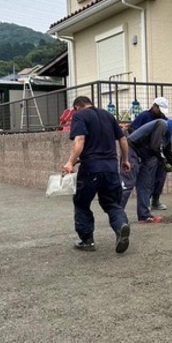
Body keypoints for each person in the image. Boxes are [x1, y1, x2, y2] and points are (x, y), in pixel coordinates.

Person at [62, 96, 131, 253]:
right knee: (112, 203)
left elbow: (80, 140)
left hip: (91, 168)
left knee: (81, 203)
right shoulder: (108, 115)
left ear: (76, 107)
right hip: (111, 168)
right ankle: (121, 226)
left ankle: (87, 241)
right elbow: (123, 140)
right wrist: (125, 160)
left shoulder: (79, 115)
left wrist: (70, 162)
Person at [122, 114, 172, 223]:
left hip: (145, 156)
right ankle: (118, 216)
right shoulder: (162, 124)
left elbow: (169, 156)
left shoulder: (167, 135)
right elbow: (155, 146)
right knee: (128, 183)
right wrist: (163, 161)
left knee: (145, 185)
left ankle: (144, 216)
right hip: (132, 150)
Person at [127, 96, 169, 211]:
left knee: (160, 175)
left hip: (156, 151)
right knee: (147, 178)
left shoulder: (164, 119)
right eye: (159, 109)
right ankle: (146, 203)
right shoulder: (144, 116)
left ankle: (156, 200)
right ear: (154, 106)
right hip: (144, 151)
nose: (160, 113)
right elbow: (132, 130)